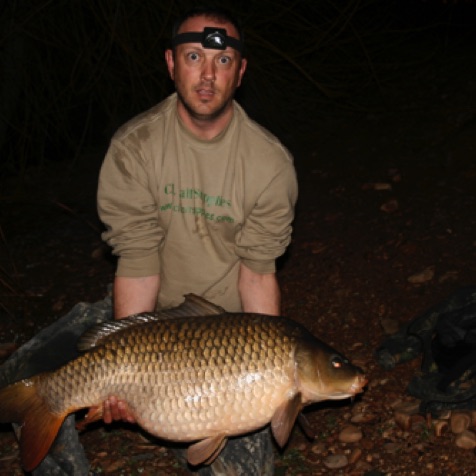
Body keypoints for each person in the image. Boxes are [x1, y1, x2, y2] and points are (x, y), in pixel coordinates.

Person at [1, 6, 297, 475]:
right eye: (193, 56)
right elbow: (137, 261)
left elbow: (258, 274)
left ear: (240, 72)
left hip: (223, 330)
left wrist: (268, 369)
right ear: (170, 63)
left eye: (222, 62)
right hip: (145, 318)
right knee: (30, 380)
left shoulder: (269, 164)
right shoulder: (134, 147)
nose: (206, 74)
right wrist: (128, 369)